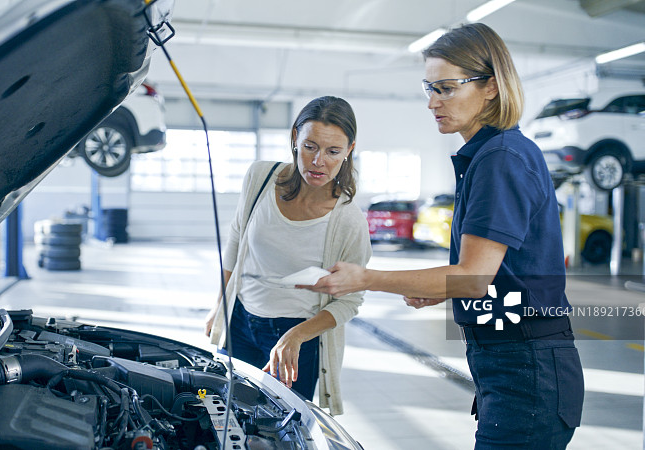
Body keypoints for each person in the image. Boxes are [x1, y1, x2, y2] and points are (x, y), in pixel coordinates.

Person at [304, 24, 584, 448]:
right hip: (512, 364)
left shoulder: (500, 159)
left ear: (490, 86)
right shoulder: (493, 154)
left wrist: (365, 278)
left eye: (447, 89)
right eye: (429, 88)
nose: (432, 102)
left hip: (526, 370)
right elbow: (499, 273)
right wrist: (444, 289)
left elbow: (473, 276)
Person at [205, 96, 371, 415]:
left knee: (278, 427)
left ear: (349, 150)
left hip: (297, 337)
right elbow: (237, 241)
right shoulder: (261, 178)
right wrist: (220, 304)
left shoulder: (348, 220)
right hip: (240, 319)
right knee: (226, 413)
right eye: (310, 146)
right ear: (295, 138)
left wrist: (297, 335)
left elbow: (350, 301)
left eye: (333, 151)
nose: (318, 161)